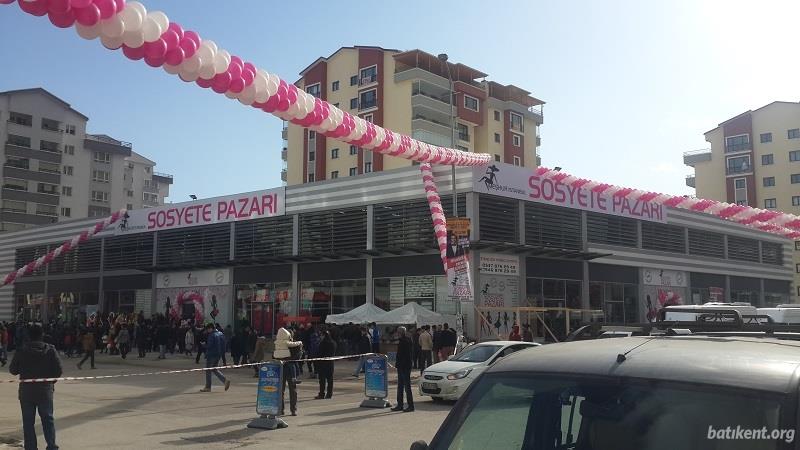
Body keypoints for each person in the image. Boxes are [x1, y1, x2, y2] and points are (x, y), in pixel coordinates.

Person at [9, 323, 63, 450]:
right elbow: (58, 370)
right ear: (42, 334)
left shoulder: (21, 350)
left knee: (28, 422)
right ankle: (51, 445)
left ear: (28, 336)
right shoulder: (50, 350)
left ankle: (31, 447)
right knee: (47, 419)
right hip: (45, 390)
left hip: (26, 391)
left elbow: (13, 370)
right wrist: (50, 382)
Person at [273, 326, 302, 416]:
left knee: (281, 390)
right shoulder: (293, 345)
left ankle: (281, 409)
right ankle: (293, 410)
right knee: (292, 390)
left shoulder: (278, 344)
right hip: (290, 369)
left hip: (280, 367)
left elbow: (274, 356)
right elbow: (298, 356)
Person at [199, 323, 231, 393]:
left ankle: (208, 387)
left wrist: (204, 345)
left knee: (208, 371)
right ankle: (225, 380)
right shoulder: (221, 334)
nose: (207, 331)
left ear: (210, 328)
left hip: (211, 355)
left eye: (207, 329)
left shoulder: (212, 335)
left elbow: (209, 346)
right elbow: (224, 345)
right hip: (218, 355)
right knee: (214, 369)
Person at [391, 326, 414, 412]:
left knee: (406, 386)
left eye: (398, 332)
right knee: (400, 386)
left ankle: (410, 405)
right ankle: (400, 404)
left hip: (404, 367)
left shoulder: (405, 341)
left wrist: (401, 365)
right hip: (402, 366)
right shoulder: (404, 341)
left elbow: (406, 356)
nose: (397, 334)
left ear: (400, 333)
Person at [315, 330, 336, 399]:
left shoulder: (323, 343)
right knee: (330, 379)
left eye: (321, 335)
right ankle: (329, 394)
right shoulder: (333, 343)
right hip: (330, 363)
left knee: (322, 380)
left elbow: (319, 353)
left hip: (322, 363)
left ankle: (321, 394)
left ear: (324, 335)